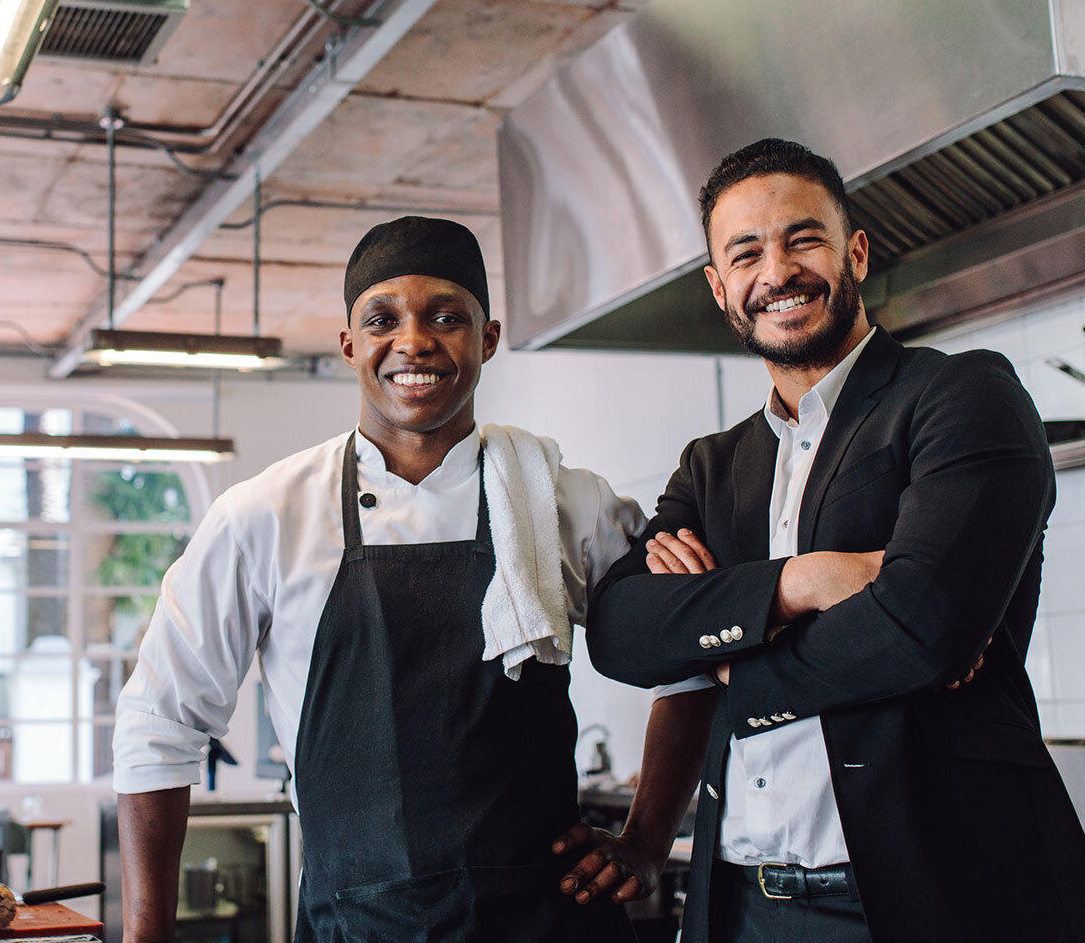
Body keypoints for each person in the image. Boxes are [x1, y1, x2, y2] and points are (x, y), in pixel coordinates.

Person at [584, 139, 1085, 943]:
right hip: (739, 908)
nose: (778, 271)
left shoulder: (961, 397)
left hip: (937, 897)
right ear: (719, 287)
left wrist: (728, 657)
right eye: (746, 253)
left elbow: (919, 630)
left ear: (856, 252)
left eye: (803, 238)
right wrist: (796, 586)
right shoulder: (713, 465)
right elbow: (622, 631)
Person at [111, 216, 702, 943]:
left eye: (447, 317)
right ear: (349, 344)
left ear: (488, 339)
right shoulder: (264, 516)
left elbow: (689, 661)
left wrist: (646, 840)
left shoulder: (563, 501)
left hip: (548, 922)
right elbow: (158, 722)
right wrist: (147, 935)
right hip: (357, 926)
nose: (414, 342)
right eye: (383, 319)